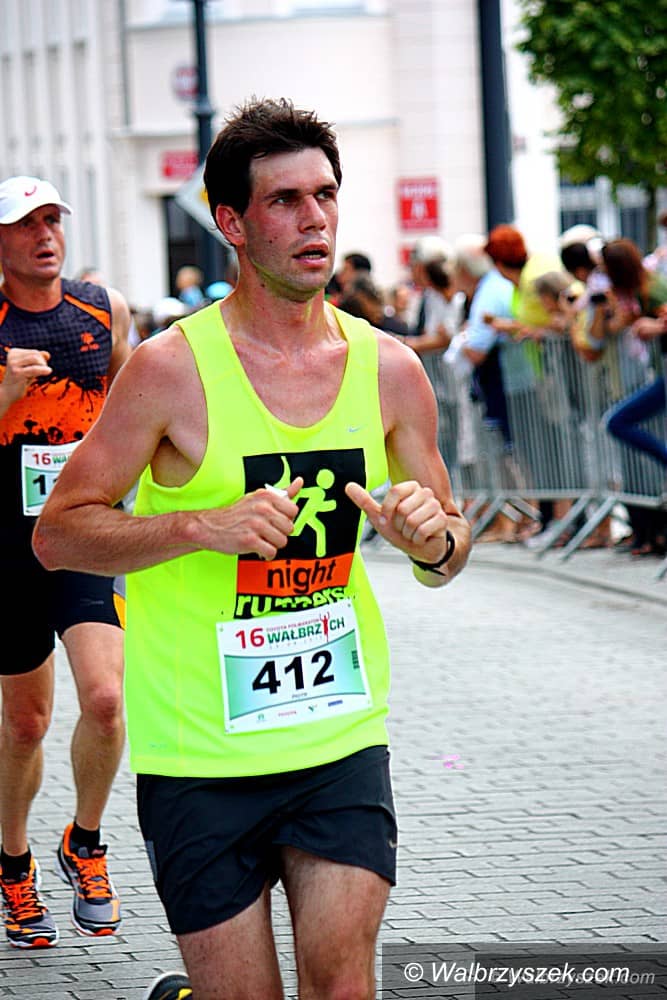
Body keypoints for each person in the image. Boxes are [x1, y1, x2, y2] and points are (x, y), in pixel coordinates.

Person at [33, 98, 472, 1000]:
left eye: (325, 195)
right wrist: (198, 526)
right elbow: (58, 532)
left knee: (340, 983)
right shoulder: (169, 369)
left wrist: (429, 541)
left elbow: (450, 541)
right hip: (200, 755)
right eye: (284, 201)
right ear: (231, 223)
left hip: (338, 735)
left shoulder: (390, 369)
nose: (314, 219)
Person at [0, 175, 131, 948]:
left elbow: (133, 405)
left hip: (84, 535)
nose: (44, 233)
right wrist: (5, 392)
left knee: (106, 700)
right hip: (7, 549)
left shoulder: (102, 310)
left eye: (52, 219)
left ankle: (84, 843)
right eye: (25, 223)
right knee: (25, 723)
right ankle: (13, 862)